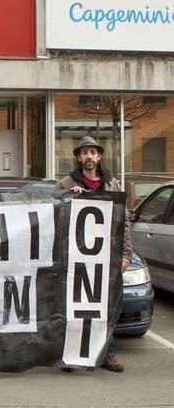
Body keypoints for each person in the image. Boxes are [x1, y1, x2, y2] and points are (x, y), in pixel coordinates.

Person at [56, 135, 130, 373]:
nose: (89, 156)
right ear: (78, 157)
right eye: (84, 152)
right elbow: (53, 213)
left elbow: (123, 222)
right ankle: (71, 356)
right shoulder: (66, 184)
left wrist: (125, 253)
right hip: (76, 257)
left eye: (93, 152)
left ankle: (106, 354)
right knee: (74, 306)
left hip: (105, 257)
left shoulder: (113, 185)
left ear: (99, 157)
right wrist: (70, 199)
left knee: (104, 307)